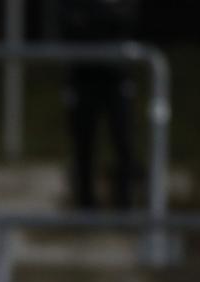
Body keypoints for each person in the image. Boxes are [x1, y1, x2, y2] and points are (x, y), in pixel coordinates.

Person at [61, 0, 139, 210]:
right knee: (83, 144)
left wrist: (95, 17)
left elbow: (125, 20)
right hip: (83, 77)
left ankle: (124, 202)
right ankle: (85, 204)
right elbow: (72, 24)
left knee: (123, 141)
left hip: (116, 77)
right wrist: (104, 14)